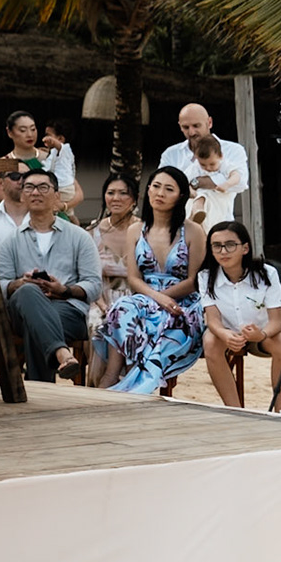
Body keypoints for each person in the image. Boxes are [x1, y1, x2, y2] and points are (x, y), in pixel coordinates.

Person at [99, 166, 204, 394]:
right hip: (147, 295)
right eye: (156, 187)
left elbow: (196, 280)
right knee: (120, 309)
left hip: (182, 300)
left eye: (169, 189)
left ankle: (141, 383)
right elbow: (134, 278)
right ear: (147, 191)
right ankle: (112, 375)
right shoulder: (136, 230)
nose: (160, 193)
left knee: (166, 323)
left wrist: (165, 299)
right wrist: (157, 297)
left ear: (181, 196)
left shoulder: (194, 231)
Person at [0, 171, 101, 383]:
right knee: (28, 291)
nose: (35, 192)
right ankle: (61, 353)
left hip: (67, 309)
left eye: (43, 187)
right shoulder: (10, 241)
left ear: (57, 196)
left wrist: (64, 290)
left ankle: (38, 392)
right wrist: (20, 284)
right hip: (22, 308)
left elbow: (94, 285)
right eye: (29, 187)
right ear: (22, 196)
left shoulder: (79, 237)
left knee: (36, 324)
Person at [195, 221, 281, 410]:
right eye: (217, 246)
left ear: (245, 248)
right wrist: (225, 334)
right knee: (210, 340)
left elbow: (277, 320)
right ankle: (234, 409)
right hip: (228, 334)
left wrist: (262, 335)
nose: (223, 251)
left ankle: (279, 410)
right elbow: (213, 320)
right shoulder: (206, 276)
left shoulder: (267, 274)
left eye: (230, 245)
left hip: (262, 334)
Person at [88, 174, 141, 369]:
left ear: (134, 199)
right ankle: (100, 388)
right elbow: (87, 275)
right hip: (100, 298)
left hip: (136, 298)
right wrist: (102, 305)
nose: (116, 198)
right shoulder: (93, 231)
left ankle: (132, 387)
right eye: (111, 193)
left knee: (134, 326)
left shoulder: (146, 230)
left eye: (123, 193)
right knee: (97, 325)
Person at [158, 104, 250, 188]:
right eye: (186, 127)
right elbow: (162, 185)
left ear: (209, 123)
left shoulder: (233, 150)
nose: (191, 132)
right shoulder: (170, 154)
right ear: (180, 126)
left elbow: (240, 182)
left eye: (196, 126)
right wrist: (220, 178)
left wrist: (195, 182)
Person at [188, 136, 245, 229]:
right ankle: (196, 213)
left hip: (221, 201)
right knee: (202, 195)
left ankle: (197, 213)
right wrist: (191, 191)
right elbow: (186, 180)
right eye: (203, 164)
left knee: (219, 225)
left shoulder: (225, 165)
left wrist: (227, 184)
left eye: (212, 164)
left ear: (220, 156)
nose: (208, 168)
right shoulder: (195, 167)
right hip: (204, 206)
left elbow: (236, 176)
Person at [40, 119, 82, 219]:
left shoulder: (65, 149)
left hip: (63, 188)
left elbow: (59, 147)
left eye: (48, 135)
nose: (45, 138)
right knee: (70, 215)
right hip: (64, 187)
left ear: (60, 138)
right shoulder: (53, 152)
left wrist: (53, 142)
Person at [0, 167, 27, 254]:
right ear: (1, 183)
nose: (21, 181)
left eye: (26, 176)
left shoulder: (45, 219)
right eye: (15, 176)